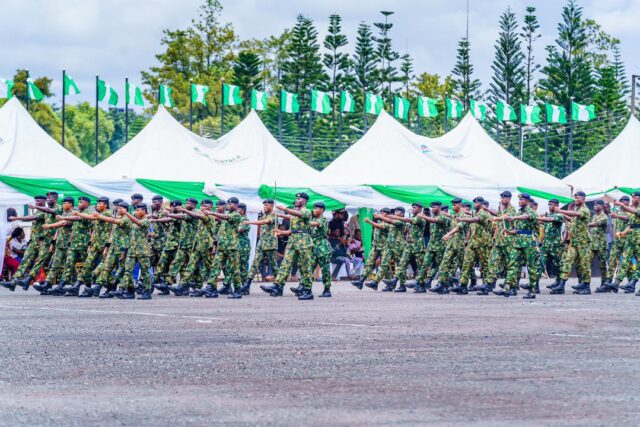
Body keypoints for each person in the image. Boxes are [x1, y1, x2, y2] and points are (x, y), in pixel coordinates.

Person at [261, 192, 314, 300]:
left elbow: (298, 215)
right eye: (296, 198)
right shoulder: (295, 214)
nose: (297, 200)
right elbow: (292, 229)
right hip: (293, 241)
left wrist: (285, 209)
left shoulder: (306, 211)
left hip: (303, 242)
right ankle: (277, 286)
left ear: (305, 201)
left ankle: (308, 291)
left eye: (299, 199)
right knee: (285, 264)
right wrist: (281, 231)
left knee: (305, 267)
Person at [493, 193, 539, 299]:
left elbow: (526, 217)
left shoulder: (530, 211)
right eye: (520, 200)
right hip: (518, 241)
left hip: (529, 242)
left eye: (523, 200)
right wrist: (509, 232)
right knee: (512, 264)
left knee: (531, 266)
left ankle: (532, 290)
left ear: (527, 201)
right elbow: (519, 229)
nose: (520, 201)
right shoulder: (520, 211)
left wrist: (513, 217)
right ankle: (507, 288)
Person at [198, 197, 244, 299]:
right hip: (221, 246)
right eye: (228, 203)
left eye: (231, 204)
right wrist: (215, 245)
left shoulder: (236, 215)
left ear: (236, 205)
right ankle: (211, 288)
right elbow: (220, 232)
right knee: (215, 267)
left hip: (232, 247)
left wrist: (211, 213)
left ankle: (237, 291)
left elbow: (225, 217)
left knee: (234, 269)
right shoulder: (225, 217)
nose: (228, 205)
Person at [66, 197, 112, 297]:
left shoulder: (107, 213)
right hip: (95, 244)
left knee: (105, 267)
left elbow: (92, 217)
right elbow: (94, 230)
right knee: (87, 264)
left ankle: (109, 288)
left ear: (105, 205)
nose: (98, 205)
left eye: (100, 204)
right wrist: (90, 243)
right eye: (97, 204)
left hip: (105, 244)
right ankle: (78, 286)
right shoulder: (97, 213)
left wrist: (78, 214)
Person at [550, 191, 592, 295]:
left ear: (583, 199)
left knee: (584, 264)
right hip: (574, 242)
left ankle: (586, 286)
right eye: (575, 198)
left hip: (583, 242)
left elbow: (575, 214)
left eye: (578, 198)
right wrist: (562, 214)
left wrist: (561, 210)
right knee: (567, 261)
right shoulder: (577, 209)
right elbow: (573, 219)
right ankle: (561, 285)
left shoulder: (585, 210)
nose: (576, 200)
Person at [384, 202, 426, 293]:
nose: (413, 209)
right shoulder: (413, 217)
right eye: (412, 207)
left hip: (418, 246)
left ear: (420, 209)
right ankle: (395, 281)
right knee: (402, 263)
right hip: (409, 245)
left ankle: (421, 285)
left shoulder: (421, 217)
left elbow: (408, 220)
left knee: (419, 266)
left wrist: (395, 217)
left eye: (415, 207)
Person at [453, 197, 491, 294]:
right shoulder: (475, 212)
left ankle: (486, 286)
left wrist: (462, 218)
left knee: (485, 265)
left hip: (482, 243)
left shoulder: (484, 213)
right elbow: (471, 228)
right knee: (466, 263)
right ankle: (463, 285)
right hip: (472, 243)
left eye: (477, 202)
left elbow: (475, 220)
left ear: (481, 204)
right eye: (474, 202)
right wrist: (467, 240)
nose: (475, 204)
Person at [431, 198, 469, 294]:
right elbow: (449, 216)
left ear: (460, 205)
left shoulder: (463, 215)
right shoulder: (454, 215)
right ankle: (442, 284)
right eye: (452, 205)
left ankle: (463, 286)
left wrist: (449, 234)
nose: (453, 206)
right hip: (451, 243)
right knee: (444, 263)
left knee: (462, 265)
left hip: (459, 243)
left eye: (455, 205)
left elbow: (459, 227)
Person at [365, 207, 406, 292]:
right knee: (384, 264)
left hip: (398, 247)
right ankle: (375, 282)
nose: (395, 212)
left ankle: (402, 285)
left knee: (400, 265)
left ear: (402, 213)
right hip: (389, 246)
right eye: (395, 211)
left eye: (398, 211)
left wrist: (379, 217)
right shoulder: (391, 220)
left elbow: (391, 221)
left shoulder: (401, 221)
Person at [411, 201, 449, 293]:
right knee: (425, 264)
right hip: (431, 245)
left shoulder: (442, 216)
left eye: (435, 207)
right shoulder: (432, 216)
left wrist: (424, 216)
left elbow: (435, 221)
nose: (433, 209)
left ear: (439, 208)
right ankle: (419, 282)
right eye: (432, 207)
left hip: (440, 246)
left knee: (438, 265)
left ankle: (443, 285)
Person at [351, 208, 390, 290]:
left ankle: (383, 283)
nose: (381, 213)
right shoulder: (379, 222)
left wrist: (369, 221)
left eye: (383, 212)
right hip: (375, 247)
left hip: (385, 247)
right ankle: (361, 281)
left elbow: (379, 226)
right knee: (369, 263)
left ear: (388, 214)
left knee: (384, 265)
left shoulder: (389, 223)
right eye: (381, 212)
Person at [303, 201, 332, 298]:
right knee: (308, 269)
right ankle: (307, 290)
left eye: (317, 208)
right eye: (314, 208)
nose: (315, 210)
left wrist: (305, 221)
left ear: (322, 210)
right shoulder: (314, 218)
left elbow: (315, 224)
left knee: (325, 270)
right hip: (314, 248)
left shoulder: (323, 220)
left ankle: (327, 290)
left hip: (323, 249)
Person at [614, 191, 640, 294]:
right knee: (625, 260)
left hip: (638, 239)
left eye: (635, 198)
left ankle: (633, 283)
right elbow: (630, 225)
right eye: (632, 198)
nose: (633, 199)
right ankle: (616, 283)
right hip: (631, 239)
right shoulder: (633, 212)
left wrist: (622, 205)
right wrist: (622, 234)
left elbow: (634, 211)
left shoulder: (635, 210)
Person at [538, 199, 565, 289]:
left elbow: (550, 220)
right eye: (549, 204)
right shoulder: (549, 215)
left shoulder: (559, 215)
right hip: (546, 244)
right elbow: (545, 221)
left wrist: (536, 217)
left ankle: (559, 283)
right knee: (539, 262)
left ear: (557, 205)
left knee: (557, 265)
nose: (549, 206)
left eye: (551, 205)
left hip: (555, 245)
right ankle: (534, 285)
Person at [607, 195, 630, 291]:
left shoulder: (630, 210)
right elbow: (613, 224)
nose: (622, 203)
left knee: (626, 262)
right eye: (621, 201)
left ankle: (630, 283)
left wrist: (617, 216)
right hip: (617, 240)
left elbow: (627, 218)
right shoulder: (617, 210)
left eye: (624, 201)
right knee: (612, 260)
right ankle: (608, 282)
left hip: (627, 240)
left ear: (628, 202)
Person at [589, 200, 610, 292]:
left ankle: (604, 284)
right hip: (593, 244)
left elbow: (595, 224)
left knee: (602, 266)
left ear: (602, 206)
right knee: (587, 263)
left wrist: (584, 224)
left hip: (601, 245)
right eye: (594, 205)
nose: (595, 206)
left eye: (597, 205)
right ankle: (585, 283)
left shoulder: (604, 217)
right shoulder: (594, 216)